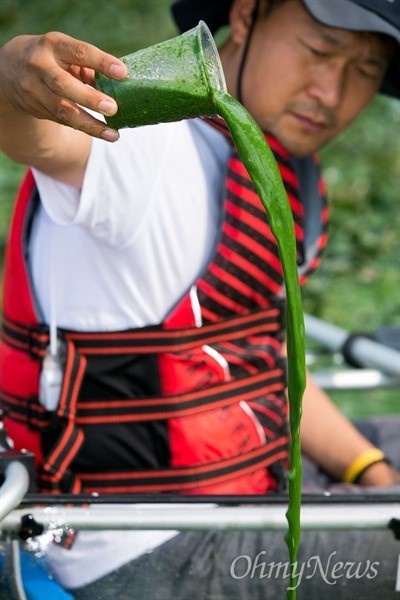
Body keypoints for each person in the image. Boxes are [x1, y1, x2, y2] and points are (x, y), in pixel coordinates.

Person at [0, 0, 399, 598]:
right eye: (319, 50)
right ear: (246, 15)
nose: (331, 90)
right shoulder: (148, 147)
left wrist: (369, 470)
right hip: (149, 548)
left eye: (365, 70)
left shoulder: (266, 165)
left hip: (239, 482)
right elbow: (40, 137)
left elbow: (260, 365)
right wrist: (11, 75)